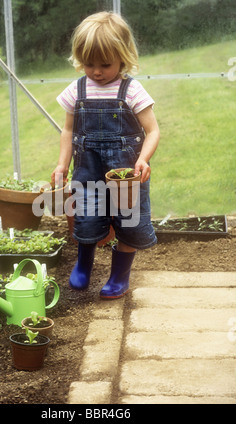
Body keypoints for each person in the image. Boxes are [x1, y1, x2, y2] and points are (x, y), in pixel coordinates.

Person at [51, 11, 160, 299]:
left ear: (123, 57)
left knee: (130, 222)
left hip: (126, 176)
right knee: (86, 218)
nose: (96, 71)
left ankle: (119, 276)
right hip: (88, 171)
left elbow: (153, 131)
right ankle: (83, 266)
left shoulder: (132, 90)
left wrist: (143, 159)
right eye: (88, 64)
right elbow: (67, 130)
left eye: (105, 64)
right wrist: (62, 164)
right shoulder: (77, 90)